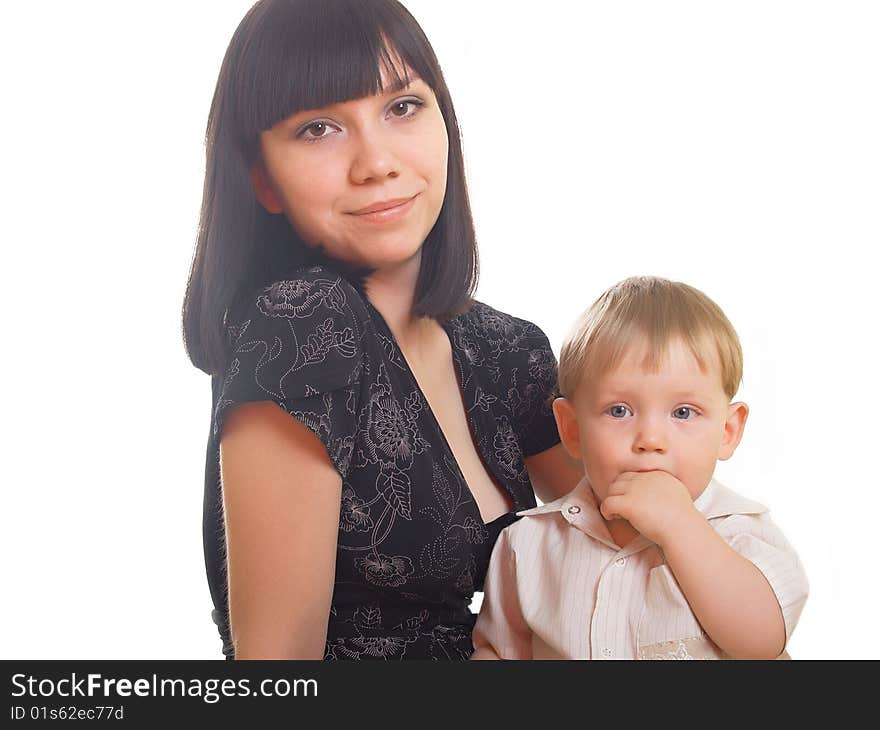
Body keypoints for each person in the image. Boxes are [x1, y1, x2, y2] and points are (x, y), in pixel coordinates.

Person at [182, 0, 582, 660]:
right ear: (262, 178)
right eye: (318, 128)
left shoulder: (507, 350)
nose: (376, 162)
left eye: (401, 107)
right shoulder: (301, 331)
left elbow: (634, 548)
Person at [471, 276, 809, 659]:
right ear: (572, 429)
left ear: (728, 431)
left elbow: (761, 643)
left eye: (684, 412)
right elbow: (499, 650)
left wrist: (681, 526)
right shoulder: (528, 543)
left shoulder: (744, 535)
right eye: (620, 411)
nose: (650, 439)